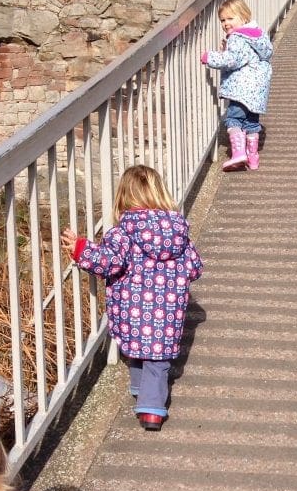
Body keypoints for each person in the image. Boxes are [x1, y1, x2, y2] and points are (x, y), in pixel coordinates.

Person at [61, 164, 203, 431]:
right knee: (158, 358)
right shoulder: (178, 232)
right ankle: (148, 403)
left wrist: (81, 248)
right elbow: (194, 268)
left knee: (137, 349)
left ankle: (145, 399)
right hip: (167, 312)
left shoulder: (122, 233)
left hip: (132, 309)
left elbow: (108, 262)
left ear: (123, 197)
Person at [201, 0, 273, 171]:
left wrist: (210, 57)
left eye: (230, 18)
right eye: (222, 20)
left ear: (244, 17)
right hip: (256, 91)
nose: (226, 23)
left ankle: (239, 153)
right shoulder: (258, 36)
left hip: (240, 89)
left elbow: (233, 60)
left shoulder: (237, 37)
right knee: (251, 122)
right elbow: (249, 57)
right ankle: (253, 158)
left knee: (234, 119)